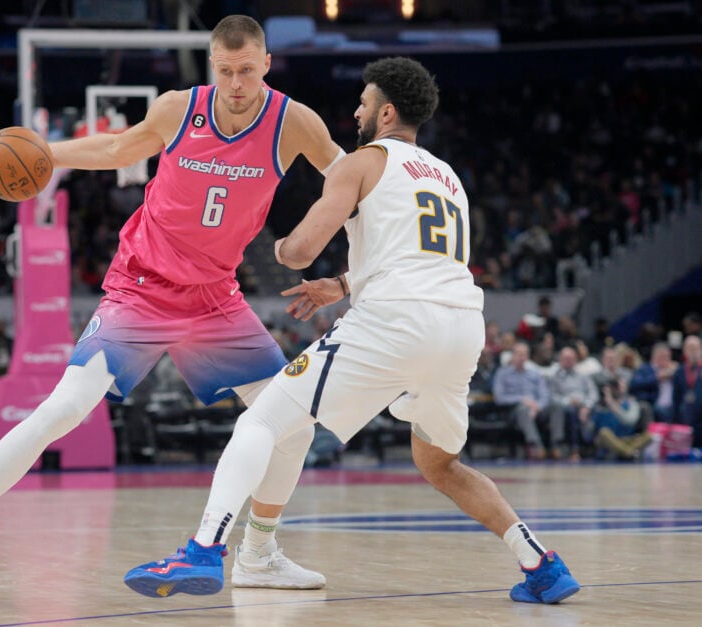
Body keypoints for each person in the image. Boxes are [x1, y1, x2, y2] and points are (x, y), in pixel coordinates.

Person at [0, 14, 344, 588]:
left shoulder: (293, 122)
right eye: (225, 70)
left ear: (267, 64)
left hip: (215, 297)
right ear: (212, 65)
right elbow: (119, 147)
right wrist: (43, 152)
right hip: (143, 286)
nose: (235, 83)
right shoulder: (179, 109)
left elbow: (349, 179)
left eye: (246, 70)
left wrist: (341, 263)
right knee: (63, 408)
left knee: (294, 426)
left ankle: (258, 554)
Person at [123, 56, 579, 604]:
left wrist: (273, 245)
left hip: (395, 322)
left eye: (363, 103)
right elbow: (418, 257)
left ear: (386, 112)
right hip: (461, 327)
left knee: (263, 418)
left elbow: (301, 251)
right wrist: (342, 284)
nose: (356, 112)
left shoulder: (362, 161)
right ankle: (541, 564)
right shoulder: (447, 176)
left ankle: (203, 549)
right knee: (441, 463)